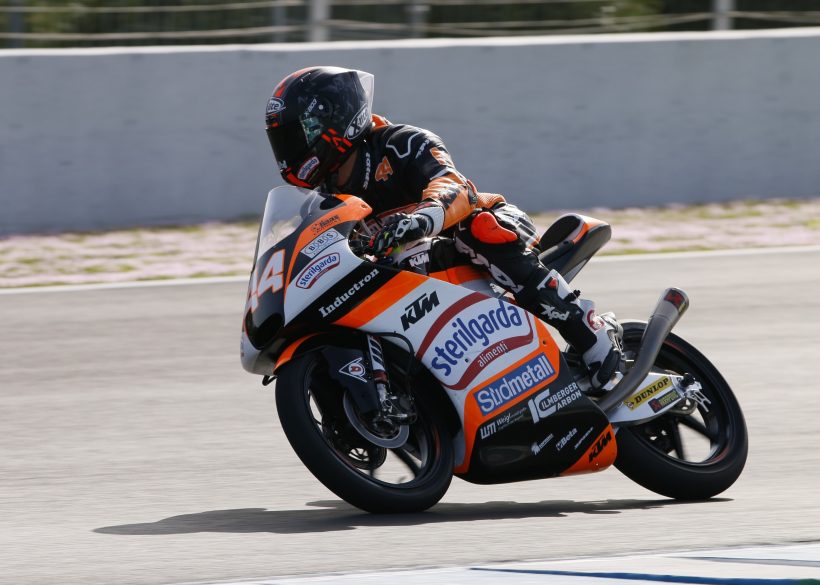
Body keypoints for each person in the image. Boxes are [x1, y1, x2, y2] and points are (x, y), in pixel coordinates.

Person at [265, 66, 622, 392]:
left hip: (488, 227)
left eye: (297, 135)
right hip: (422, 270)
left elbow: (454, 186)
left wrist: (421, 218)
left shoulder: (400, 143)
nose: (289, 151)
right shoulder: (324, 198)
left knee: (479, 231)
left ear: (334, 119)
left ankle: (591, 334)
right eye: (283, 141)